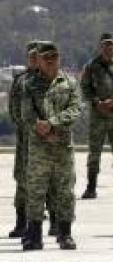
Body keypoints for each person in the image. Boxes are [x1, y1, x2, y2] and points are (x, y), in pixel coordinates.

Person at [21, 41, 81, 251]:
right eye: (46, 57)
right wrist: (41, 127)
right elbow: (26, 114)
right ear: (39, 59)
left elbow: (75, 110)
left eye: (53, 56)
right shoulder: (29, 85)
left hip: (63, 148)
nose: (50, 60)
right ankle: (34, 235)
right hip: (39, 148)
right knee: (36, 191)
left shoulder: (70, 83)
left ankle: (65, 234)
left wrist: (53, 124)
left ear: (58, 57)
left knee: (65, 192)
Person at [80, 32, 113, 199]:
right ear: (101, 46)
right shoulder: (91, 65)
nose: (108, 47)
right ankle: (91, 187)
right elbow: (85, 87)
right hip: (97, 116)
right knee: (94, 152)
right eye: (105, 44)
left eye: (111, 44)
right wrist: (97, 102)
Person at [7, 41, 40, 238]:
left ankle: (54, 222)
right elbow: (13, 109)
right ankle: (21, 222)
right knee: (22, 181)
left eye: (37, 56)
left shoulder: (50, 79)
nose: (34, 59)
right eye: (31, 56)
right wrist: (28, 125)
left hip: (45, 140)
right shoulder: (20, 81)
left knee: (49, 181)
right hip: (24, 141)